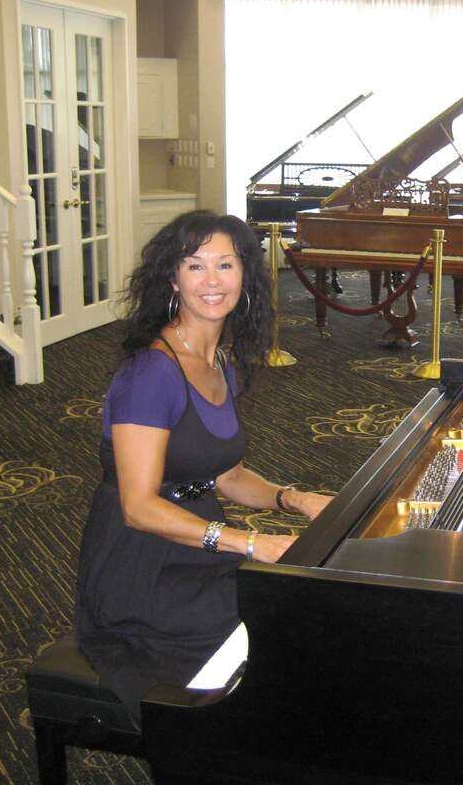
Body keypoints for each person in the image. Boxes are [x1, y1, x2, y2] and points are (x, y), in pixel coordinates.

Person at [75, 210, 331, 721]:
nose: (212, 281)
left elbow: (225, 474)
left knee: (288, 612)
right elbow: (139, 507)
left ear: (246, 276)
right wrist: (249, 542)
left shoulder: (220, 361)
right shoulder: (151, 372)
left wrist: (292, 497)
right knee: (269, 623)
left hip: (194, 539)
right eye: (195, 266)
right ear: (173, 278)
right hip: (140, 564)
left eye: (225, 265)